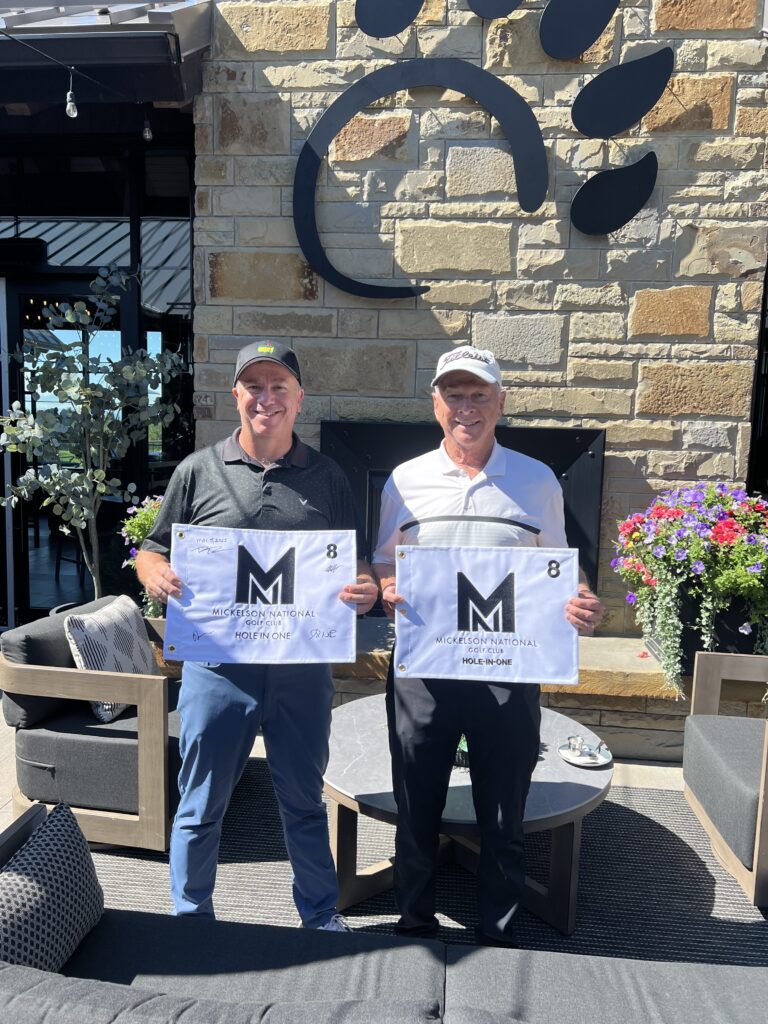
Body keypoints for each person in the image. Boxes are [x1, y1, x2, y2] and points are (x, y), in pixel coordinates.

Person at [136, 340, 378, 930]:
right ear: (236, 396)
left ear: (298, 399)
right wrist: (156, 573)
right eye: (254, 386)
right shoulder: (198, 470)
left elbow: (359, 564)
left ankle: (319, 916)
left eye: (279, 387)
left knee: (302, 802)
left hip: (300, 672)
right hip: (216, 670)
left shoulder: (328, 477)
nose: (266, 399)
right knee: (200, 805)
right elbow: (151, 549)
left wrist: (364, 589)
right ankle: (191, 920)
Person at [372, 345, 603, 946]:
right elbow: (380, 564)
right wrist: (385, 586)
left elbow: (559, 570)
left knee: (504, 809)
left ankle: (497, 933)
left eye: (478, 395)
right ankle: (414, 922)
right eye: (454, 394)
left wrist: (582, 600)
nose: (465, 407)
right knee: (415, 801)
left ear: (501, 403)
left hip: (509, 668)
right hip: (423, 667)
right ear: (435, 404)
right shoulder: (405, 480)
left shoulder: (536, 480)